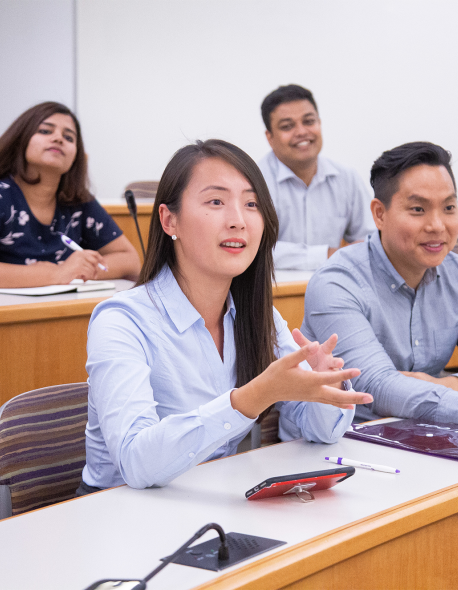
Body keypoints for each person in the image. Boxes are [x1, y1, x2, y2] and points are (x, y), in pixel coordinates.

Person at [78, 139, 372, 493]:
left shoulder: (257, 314)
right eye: (216, 202)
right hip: (121, 515)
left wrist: (324, 387)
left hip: (212, 504)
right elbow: (135, 464)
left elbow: (322, 432)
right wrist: (251, 398)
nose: (238, 221)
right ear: (170, 220)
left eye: (251, 204)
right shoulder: (122, 320)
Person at [301, 141, 458, 423]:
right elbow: (377, 388)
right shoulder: (336, 283)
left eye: (449, 207)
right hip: (343, 439)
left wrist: (436, 383)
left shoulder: (454, 273)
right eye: (418, 210)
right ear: (379, 214)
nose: (438, 225)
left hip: (426, 431)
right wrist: (438, 384)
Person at [0, 101, 140, 287]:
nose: (58, 139)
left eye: (69, 138)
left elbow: (130, 261)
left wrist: (76, 271)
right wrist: (56, 274)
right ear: (20, 140)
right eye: (46, 131)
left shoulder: (78, 202)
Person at [259, 84, 373, 270]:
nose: (302, 132)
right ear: (269, 137)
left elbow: (373, 240)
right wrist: (329, 255)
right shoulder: (253, 182)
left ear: (319, 123)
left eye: (309, 121)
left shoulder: (346, 178)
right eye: (287, 126)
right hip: (272, 294)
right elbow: (255, 249)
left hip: (338, 289)